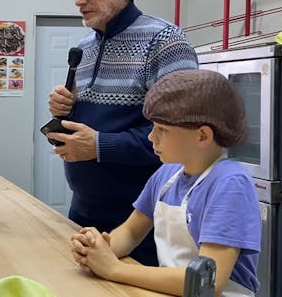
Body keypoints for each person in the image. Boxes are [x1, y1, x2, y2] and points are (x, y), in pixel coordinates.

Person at [46, 0, 198, 266]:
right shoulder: (84, 47)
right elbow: (95, 122)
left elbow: (182, 137)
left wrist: (100, 146)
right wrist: (66, 110)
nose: (78, 0)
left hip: (140, 222)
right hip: (82, 208)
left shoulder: (165, 42)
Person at [70, 69, 260, 296]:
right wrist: (99, 250)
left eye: (162, 129)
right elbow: (131, 232)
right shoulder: (168, 173)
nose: (151, 137)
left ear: (202, 136)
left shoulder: (230, 184)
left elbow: (207, 280)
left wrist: (114, 269)